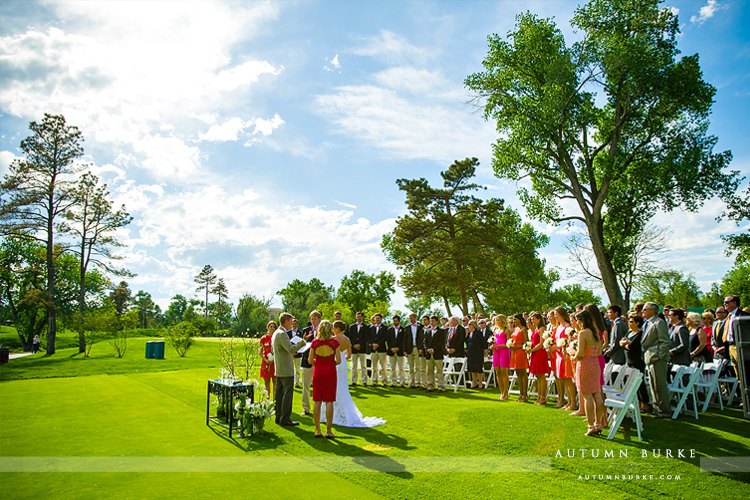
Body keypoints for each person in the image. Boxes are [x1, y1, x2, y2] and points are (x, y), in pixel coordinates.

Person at [321, 321, 386, 428]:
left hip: (334, 363)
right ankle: (343, 413)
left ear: (337, 328)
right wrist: (342, 359)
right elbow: (349, 355)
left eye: (333, 328)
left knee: (333, 386)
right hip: (342, 364)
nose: (333, 329)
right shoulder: (347, 339)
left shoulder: (333, 339)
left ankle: (330, 414)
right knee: (342, 387)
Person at [271, 312, 307, 427]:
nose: (292, 324)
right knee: (287, 394)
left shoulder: (276, 333)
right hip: (285, 369)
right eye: (291, 321)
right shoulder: (282, 334)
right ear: (286, 321)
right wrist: (303, 341)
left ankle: (278, 416)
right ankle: (285, 418)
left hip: (280, 368)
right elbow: (291, 349)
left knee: (279, 394)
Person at [573, 310, 605, 436]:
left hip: (585, 364)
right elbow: (599, 352)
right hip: (595, 363)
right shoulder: (596, 332)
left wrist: (573, 355)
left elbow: (580, 353)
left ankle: (591, 425)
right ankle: (599, 423)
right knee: (597, 394)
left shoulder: (583, 333)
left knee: (587, 396)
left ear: (581, 321)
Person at [309, 320, 341, 438]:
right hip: (330, 371)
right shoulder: (334, 342)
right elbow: (338, 360)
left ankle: (317, 429)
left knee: (317, 400)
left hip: (318, 371)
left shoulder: (315, 342)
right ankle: (328, 430)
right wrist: (329, 362)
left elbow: (309, 360)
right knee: (329, 401)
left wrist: (318, 362)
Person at [641, 302, 671, 418]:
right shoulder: (648, 323)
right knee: (653, 385)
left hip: (657, 358)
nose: (643, 312)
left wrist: (659, 356)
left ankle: (665, 411)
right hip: (649, 358)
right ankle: (656, 408)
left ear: (653, 311)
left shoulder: (659, 323)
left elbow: (665, 341)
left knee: (660, 385)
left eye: (645, 310)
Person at [621, 314, 651, 412]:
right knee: (631, 383)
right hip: (628, 361)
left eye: (631, 322)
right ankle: (637, 402)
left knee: (640, 383)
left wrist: (625, 344)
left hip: (636, 361)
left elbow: (632, 346)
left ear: (637, 323)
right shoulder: (629, 332)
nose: (629, 323)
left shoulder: (639, 334)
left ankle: (645, 403)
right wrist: (625, 343)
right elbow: (621, 342)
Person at [552, 307, 576, 410]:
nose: (555, 316)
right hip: (558, 355)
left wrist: (557, 346)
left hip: (565, 354)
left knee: (568, 379)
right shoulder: (558, 327)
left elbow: (568, 341)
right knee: (562, 379)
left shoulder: (567, 326)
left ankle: (573, 403)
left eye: (557, 314)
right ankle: (568, 402)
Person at [300, 310, 322, 416]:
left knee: (320, 386)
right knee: (305, 385)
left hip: (320, 361)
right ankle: (306, 408)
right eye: (311, 319)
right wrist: (304, 340)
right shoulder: (305, 330)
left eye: (315, 318)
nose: (313, 321)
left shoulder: (323, 331)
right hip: (306, 360)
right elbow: (301, 345)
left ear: (319, 319)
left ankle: (320, 408)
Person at [528, 312, 550, 405]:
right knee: (537, 375)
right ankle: (539, 396)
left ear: (539, 319)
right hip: (534, 353)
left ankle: (543, 397)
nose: (532, 321)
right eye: (531, 319)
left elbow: (541, 344)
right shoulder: (535, 329)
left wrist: (532, 350)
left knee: (541, 375)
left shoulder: (542, 329)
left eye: (534, 319)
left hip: (540, 353)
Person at [423, 315, 447, 392]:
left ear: (436, 322)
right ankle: (430, 386)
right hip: (429, 354)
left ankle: (441, 387)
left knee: (439, 371)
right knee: (429, 371)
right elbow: (424, 342)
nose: (431, 323)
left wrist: (434, 349)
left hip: (437, 354)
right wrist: (427, 349)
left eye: (433, 321)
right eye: (430, 321)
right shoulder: (427, 330)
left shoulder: (441, 331)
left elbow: (441, 342)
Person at [509, 313, 530, 402]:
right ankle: (521, 394)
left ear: (519, 319)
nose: (514, 321)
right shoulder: (515, 329)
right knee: (518, 372)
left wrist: (517, 347)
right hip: (514, 353)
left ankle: (525, 394)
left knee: (523, 372)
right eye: (513, 320)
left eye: (515, 319)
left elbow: (526, 343)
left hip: (521, 352)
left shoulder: (523, 329)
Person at [490, 315, 511, 400]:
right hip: (496, 352)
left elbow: (508, 344)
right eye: (496, 320)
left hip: (504, 352)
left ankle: (506, 392)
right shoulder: (495, 331)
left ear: (503, 321)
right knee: (497, 372)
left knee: (504, 372)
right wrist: (493, 346)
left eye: (498, 320)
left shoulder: (506, 331)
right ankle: (502, 392)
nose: (497, 322)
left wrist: (498, 345)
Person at [403, 313, 425, 389]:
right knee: (411, 367)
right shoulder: (407, 328)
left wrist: (421, 348)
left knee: (418, 367)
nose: (410, 319)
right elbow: (404, 340)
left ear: (415, 318)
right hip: (409, 348)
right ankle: (411, 383)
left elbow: (422, 339)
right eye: (409, 318)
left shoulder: (420, 327)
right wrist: (404, 350)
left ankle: (418, 383)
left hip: (417, 348)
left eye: (412, 318)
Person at [348, 312, 370, 386]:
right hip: (354, 348)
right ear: (355, 317)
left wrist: (360, 344)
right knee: (354, 365)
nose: (358, 318)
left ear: (362, 317)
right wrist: (354, 345)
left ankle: (364, 381)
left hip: (362, 348)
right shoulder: (352, 327)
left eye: (360, 316)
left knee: (363, 365)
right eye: (357, 316)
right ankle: (354, 381)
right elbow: (350, 337)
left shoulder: (366, 327)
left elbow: (366, 337)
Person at [386, 315, 406, 387]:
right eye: (393, 321)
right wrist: (391, 348)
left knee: (401, 368)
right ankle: (393, 382)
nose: (394, 322)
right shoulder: (389, 330)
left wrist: (398, 348)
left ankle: (402, 383)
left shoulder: (403, 330)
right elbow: (388, 340)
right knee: (392, 368)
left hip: (400, 351)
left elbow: (404, 341)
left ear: (399, 321)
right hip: (391, 351)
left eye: (396, 321)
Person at [259, 321, 277, 398]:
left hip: (275, 362)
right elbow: (260, 351)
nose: (272, 329)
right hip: (266, 362)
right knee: (267, 381)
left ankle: (275, 400)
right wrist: (265, 359)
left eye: (274, 327)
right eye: (271, 327)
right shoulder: (264, 338)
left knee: (275, 381)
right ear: (268, 328)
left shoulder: (276, 338)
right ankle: (267, 399)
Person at [370, 313, 389, 387]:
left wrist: (378, 344)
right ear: (374, 319)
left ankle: (384, 381)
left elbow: (385, 338)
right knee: (374, 366)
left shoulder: (385, 328)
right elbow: (369, 338)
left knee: (383, 366)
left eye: (378, 318)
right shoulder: (371, 328)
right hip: (373, 349)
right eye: (376, 318)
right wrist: (373, 344)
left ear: (381, 319)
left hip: (382, 349)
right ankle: (374, 381)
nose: (377, 319)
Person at [465, 320, 485, 388]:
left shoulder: (478, 333)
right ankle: (474, 382)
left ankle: (480, 383)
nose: (469, 326)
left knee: (478, 368)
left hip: (477, 352)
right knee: (472, 368)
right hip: (470, 353)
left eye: (470, 324)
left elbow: (482, 342)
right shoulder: (469, 333)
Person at [288, 318, 302, 388]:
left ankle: (297, 383)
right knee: (290, 369)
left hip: (298, 353)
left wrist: (297, 351)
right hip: (290, 353)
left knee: (297, 369)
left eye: (295, 323)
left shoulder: (301, 332)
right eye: (293, 323)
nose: (294, 324)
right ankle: (290, 383)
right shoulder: (288, 333)